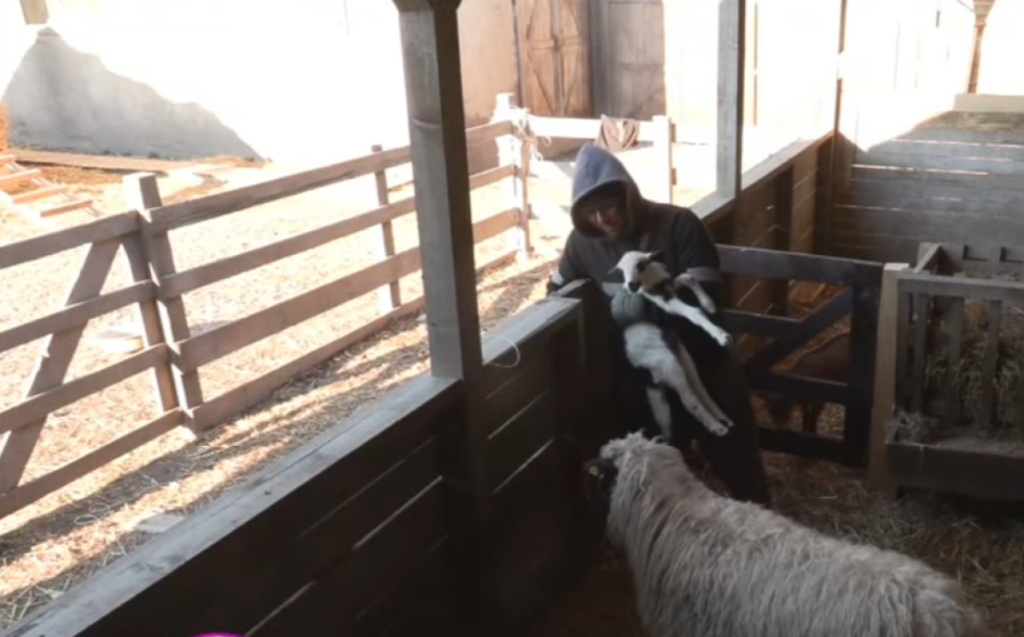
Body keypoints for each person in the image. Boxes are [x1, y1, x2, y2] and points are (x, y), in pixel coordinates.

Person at [546, 143, 772, 506]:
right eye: (590, 212)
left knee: (734, 447)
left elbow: (709, 295)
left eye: (608, 205)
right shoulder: (583, 244)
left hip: (704, 361)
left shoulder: (678, 224)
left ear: (627, 196)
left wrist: (634, 307)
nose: (602, 218)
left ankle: (757, 518)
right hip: (644, 373)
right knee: (654, 462)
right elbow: (557, 287)